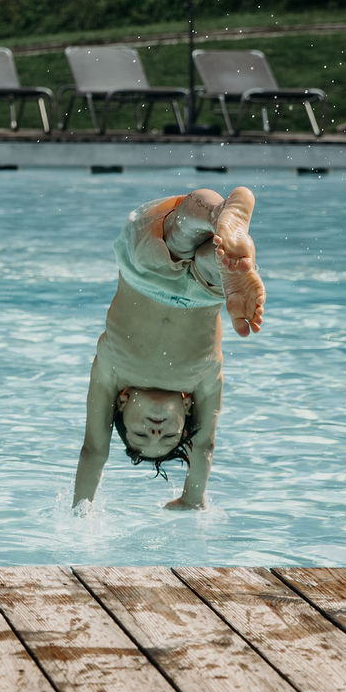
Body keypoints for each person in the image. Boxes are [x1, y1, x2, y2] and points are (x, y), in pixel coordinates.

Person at [73, 186, 264, 510]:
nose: (155, 432)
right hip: (205, 293)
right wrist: (192, 499)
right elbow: (204, 445)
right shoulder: (200, 384)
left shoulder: (113, 375)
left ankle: (222, 215)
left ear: (120, 404)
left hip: (144, 273)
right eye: (169, 438)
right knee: (213, 260)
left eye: (140, 435)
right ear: (187, 411)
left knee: (175, 238)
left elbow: (94, 449)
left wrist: (81, 514)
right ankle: (228, 249)